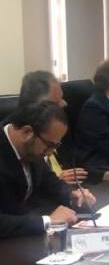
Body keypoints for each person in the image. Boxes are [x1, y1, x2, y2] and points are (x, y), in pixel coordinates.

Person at [0, 101, 96, 239]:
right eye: (50, 145)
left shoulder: (31, 148)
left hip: (23, 238)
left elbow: (50, 182)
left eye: (56, 146)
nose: (50, 152)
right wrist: (46, 221)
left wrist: (72, 195)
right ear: (27, 132)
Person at [17, 70, 109, 185]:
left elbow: (75, 166)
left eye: (62, 97)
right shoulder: (23, 142)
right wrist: (57, 181)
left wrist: (103, 175)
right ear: (37, 106)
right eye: (56, 101)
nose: (64, 103)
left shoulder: (59, 128)